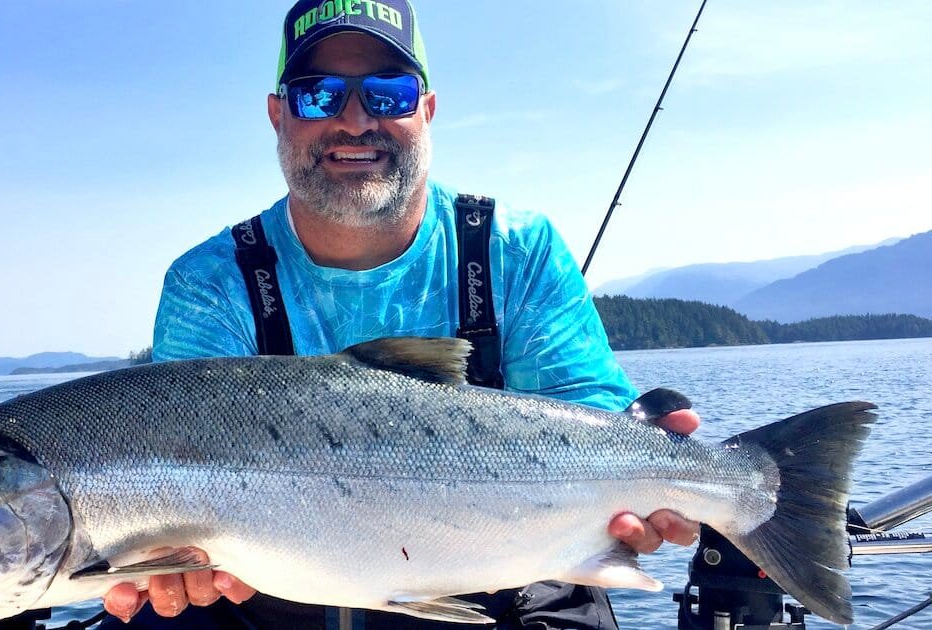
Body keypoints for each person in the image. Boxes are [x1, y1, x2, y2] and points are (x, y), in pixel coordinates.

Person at [100, 1, 701, 628]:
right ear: (277, 115)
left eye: (388, 93)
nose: (355, 121)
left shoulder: (515, 250)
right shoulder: (212, 282)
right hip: (269, 589)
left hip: (510, 574)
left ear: (428, 111)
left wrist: (661, 483)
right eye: (318, 95)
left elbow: (592, 419)